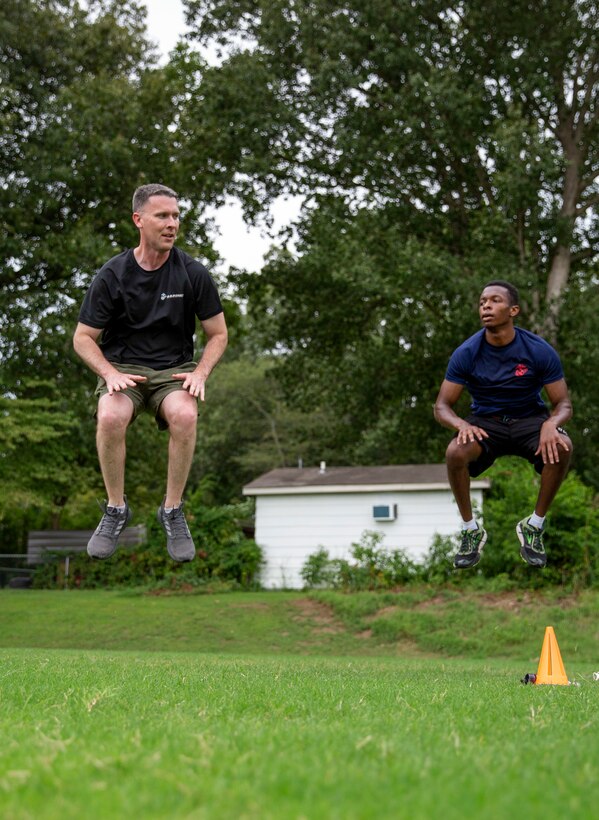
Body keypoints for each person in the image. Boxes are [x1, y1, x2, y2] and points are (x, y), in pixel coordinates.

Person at [73, 183, 228, 563]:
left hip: (173, 371)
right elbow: (83, 338)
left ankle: (172, 511)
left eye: (176, 216)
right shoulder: (113, 274)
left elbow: (218, 334)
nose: (172, 223)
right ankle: (115, 509)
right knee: (110, 414)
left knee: (185, 414)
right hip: (123, 369)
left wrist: (201, 373)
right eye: (162, 216)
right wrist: (109, 374)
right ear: (138, 220)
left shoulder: (193, 273)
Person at [434, 280, 573, 570]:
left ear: (513, 310)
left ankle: (534, 526)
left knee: (562, 446)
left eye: (495, 300)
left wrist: (552, 424)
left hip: (530, 420)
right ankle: (470, 530)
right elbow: (442, 406)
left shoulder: (538, 350)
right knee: (454, 453)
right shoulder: (467, 352)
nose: (486, 305)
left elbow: (564, 404)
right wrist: (461, 425)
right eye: (483, 301)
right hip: (485, 424)